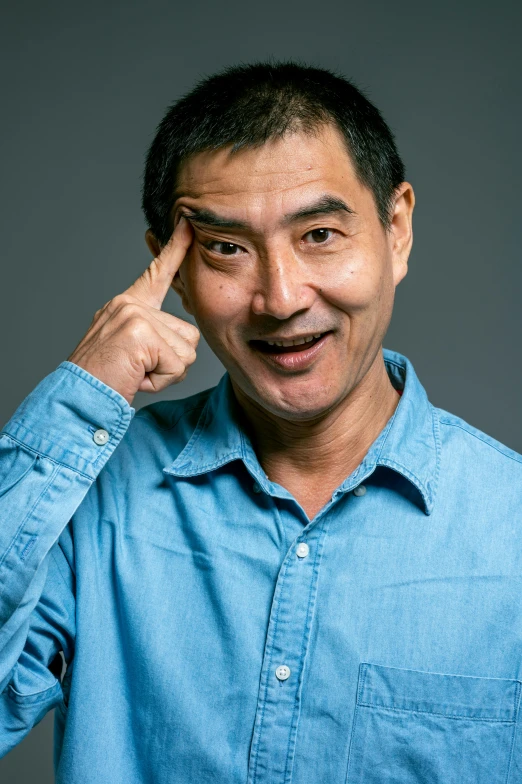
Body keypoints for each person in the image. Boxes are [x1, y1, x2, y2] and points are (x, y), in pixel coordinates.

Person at [1, 61, 521, 784]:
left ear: (395, 230)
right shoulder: (93, 501)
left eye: (320, 234)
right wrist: (82, 393)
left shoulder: (511, 527)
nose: (279, 299)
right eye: (226, 249)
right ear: (171, 267)